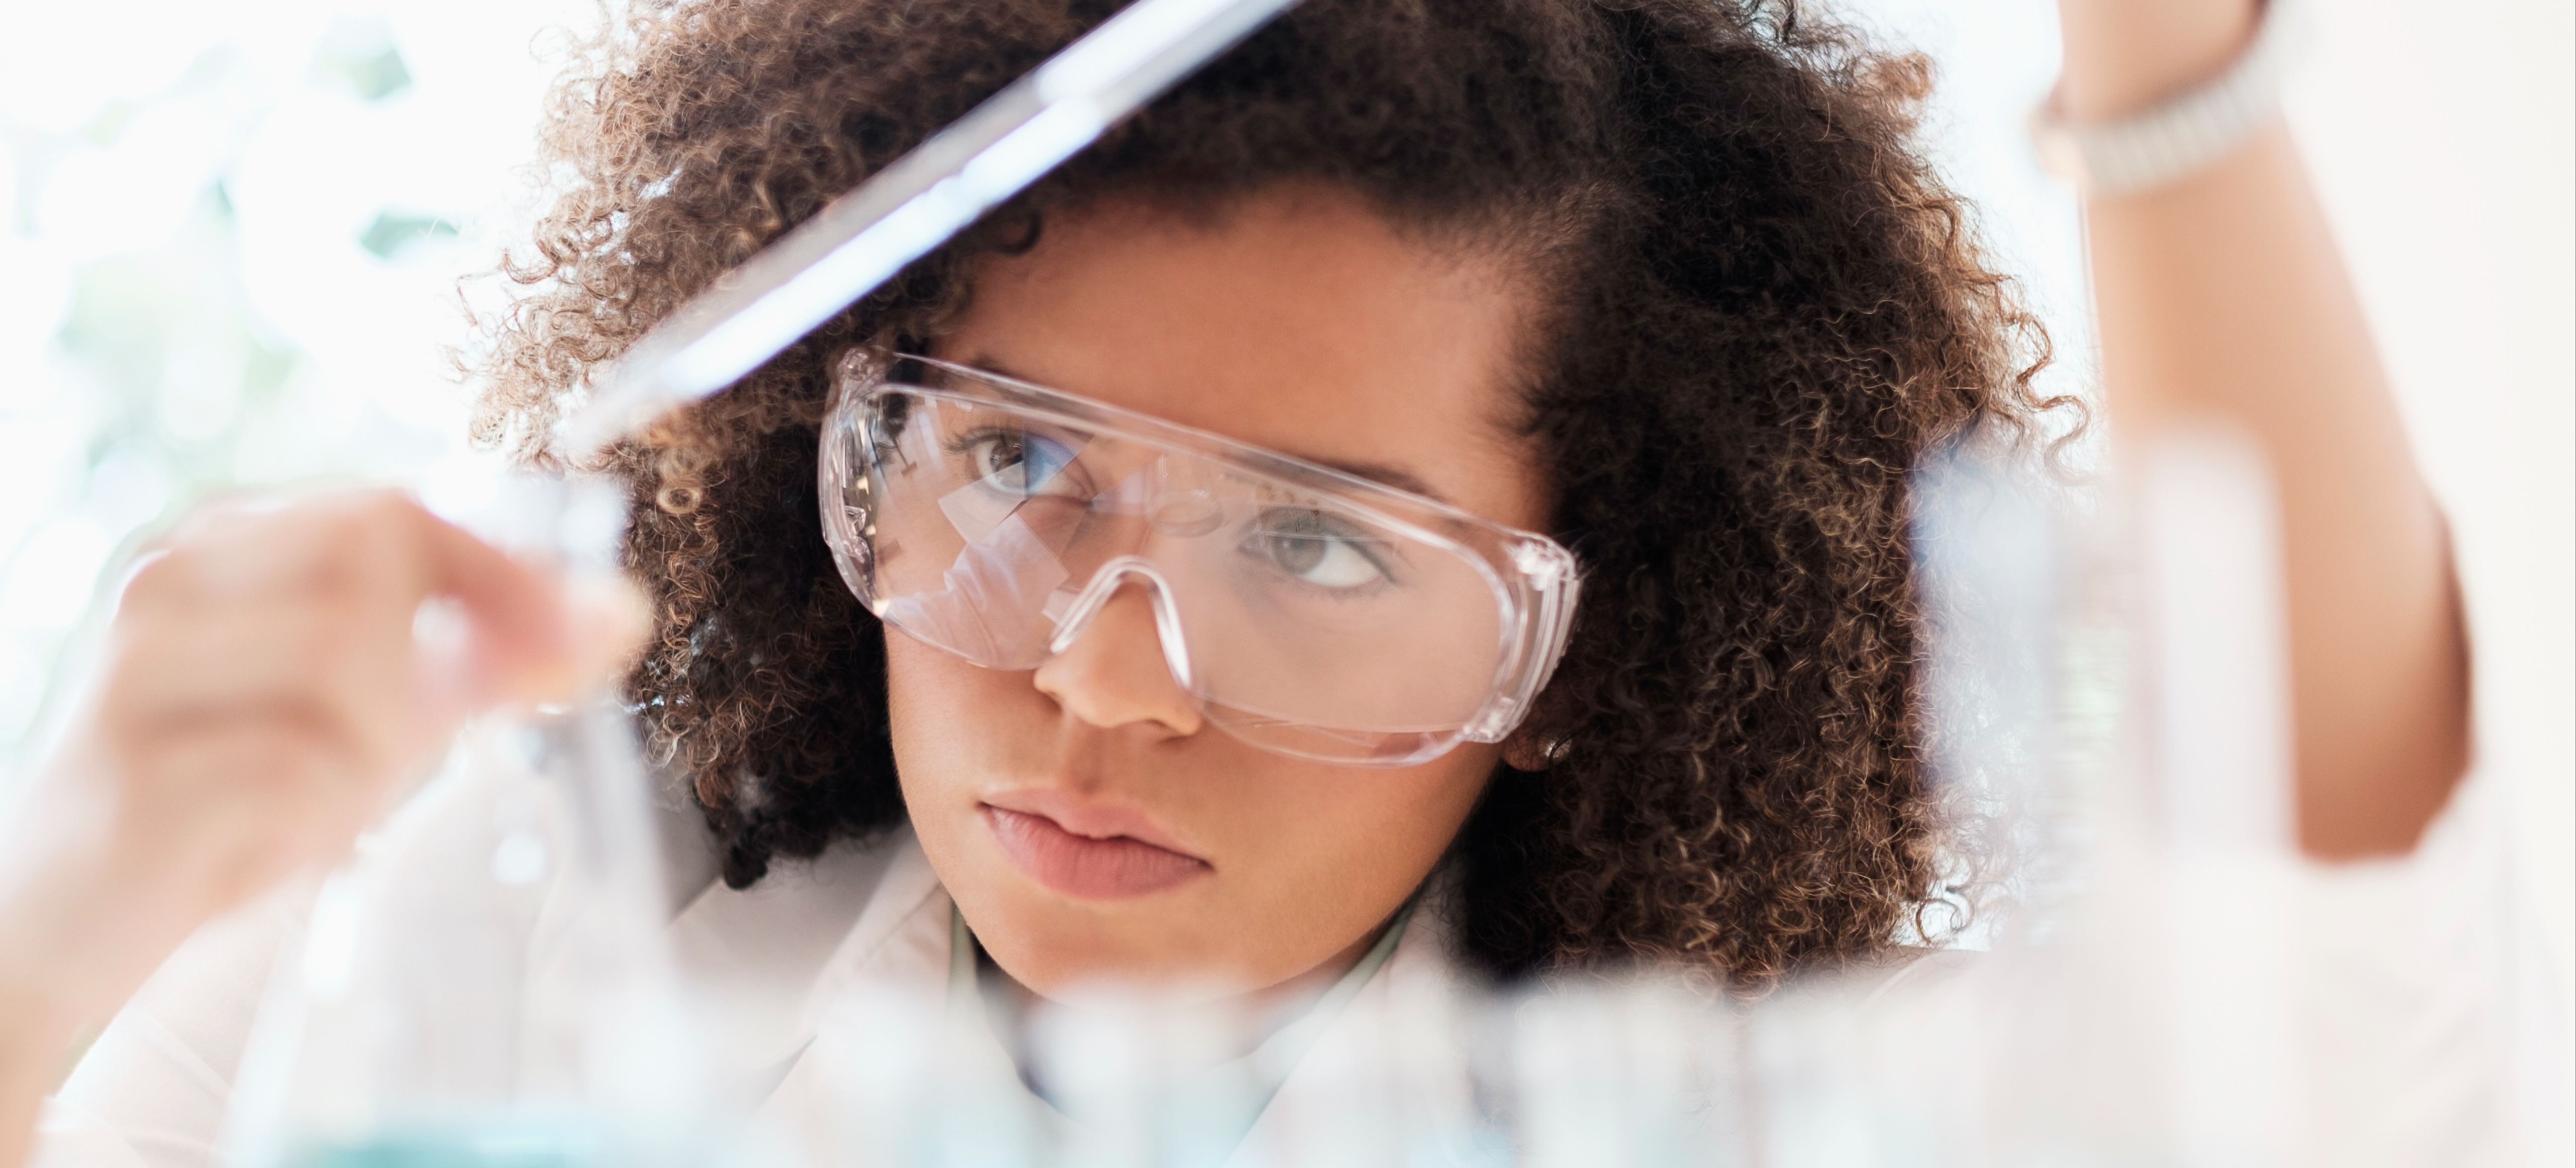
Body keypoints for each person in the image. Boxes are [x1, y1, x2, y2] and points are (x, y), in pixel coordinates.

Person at [0, 0, 2510, 1163]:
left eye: (1317, 538)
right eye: (1015, 460)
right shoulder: (473, 957)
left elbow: (2335, 966)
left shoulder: (1802, 1128)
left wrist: (2168, 41)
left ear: (1585, 644)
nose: (1099, 673)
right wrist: (50, 926)